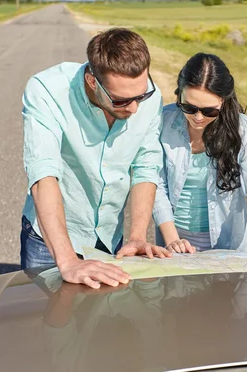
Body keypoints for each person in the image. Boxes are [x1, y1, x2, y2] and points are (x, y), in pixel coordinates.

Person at [20, 28, 170, 289]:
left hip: (111, 238)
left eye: (141, 96)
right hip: (52, 241)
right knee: (53, 322)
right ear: (92, 81)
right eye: (122, 101)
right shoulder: (46, 90)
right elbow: (43, 174)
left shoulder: (151, 98)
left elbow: (146, 167)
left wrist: (135, 237)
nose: (135, 108)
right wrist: (67, 261)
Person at [153, 53, 247, 275]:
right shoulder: (164, 120)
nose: (198, 117)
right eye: (189, 107)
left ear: (224, 101)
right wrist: (173, 240)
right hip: (174, 246)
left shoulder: (243, 130)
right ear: (178, 93)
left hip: (229, 250)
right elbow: (156, 185)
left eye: (209, 111)